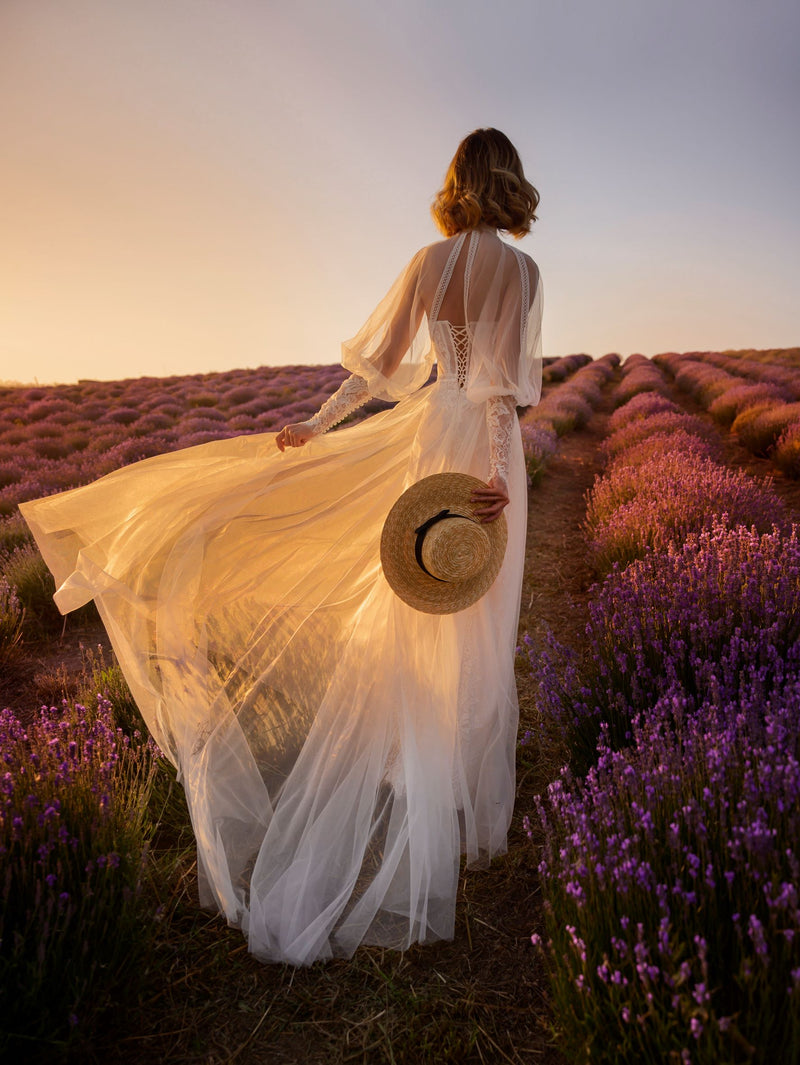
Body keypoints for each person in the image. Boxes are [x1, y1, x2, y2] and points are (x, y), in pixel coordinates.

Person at [20, 127, 542, 966]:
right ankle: (451, 803)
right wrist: (497, 478)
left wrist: (318, 424)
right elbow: (505, 389)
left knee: (412, 610)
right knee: (474, 622)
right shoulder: (522, 272)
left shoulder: (427, 263)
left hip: (425, 443)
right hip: (483, 457)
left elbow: (377, 368)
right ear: (510, 180)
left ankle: (415, 783)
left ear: (457, 182)